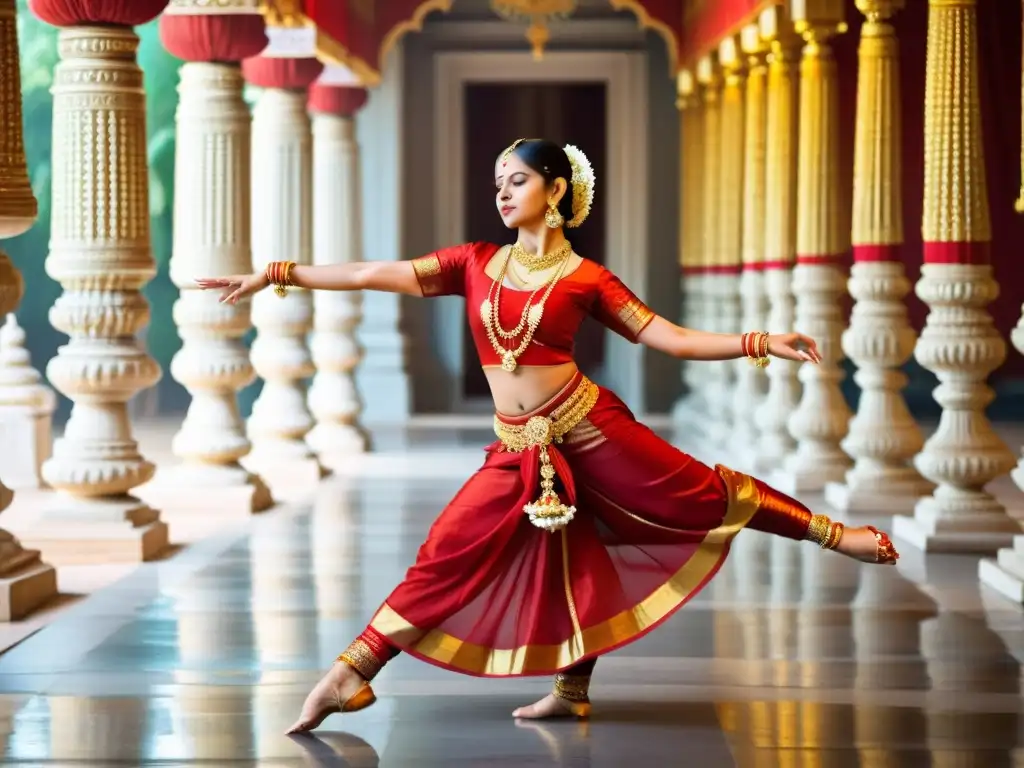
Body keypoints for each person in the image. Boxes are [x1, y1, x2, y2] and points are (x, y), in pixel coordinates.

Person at [196, 138, 899, 734]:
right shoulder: (472, 263)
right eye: (497, 183)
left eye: (518, 180)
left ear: (556, 188)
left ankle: (841, 536)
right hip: (518, 445)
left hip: (591, 428)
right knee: (456, 550)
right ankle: (361, 675)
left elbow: (671, 339)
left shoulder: (587, 278)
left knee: (703, 496)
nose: (503, 193)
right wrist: (278, 272)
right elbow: (370, 272)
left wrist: (758, 341)